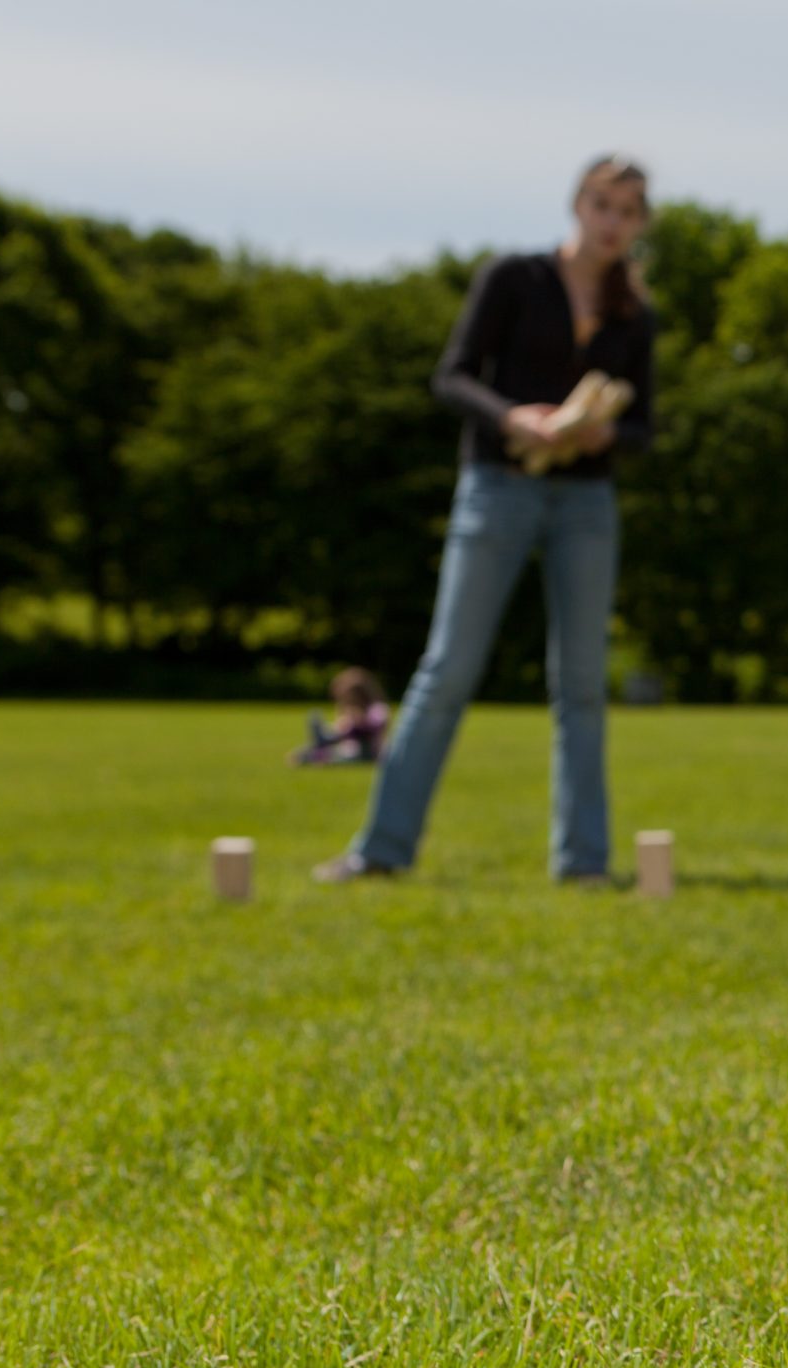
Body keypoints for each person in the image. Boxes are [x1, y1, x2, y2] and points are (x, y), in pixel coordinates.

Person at [314, 154, 657, 884]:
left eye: (628, 211)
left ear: (639, 225)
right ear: (578, 205)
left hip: (586, 502)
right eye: (603, 204)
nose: (613, 221)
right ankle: (381, 850)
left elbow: (646, 427)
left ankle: (584, 862)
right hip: (497, 486)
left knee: (583, 683)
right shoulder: (513, 278)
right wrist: (514, 417)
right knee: (447, 670)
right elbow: (452, 376)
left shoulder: (635, 313)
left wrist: (605, 434)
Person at [292, 667, 391, 765]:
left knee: (340, 753)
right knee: (335, 747)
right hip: (348, 747)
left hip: (368, 750)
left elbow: (377, 725)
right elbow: (342, 731)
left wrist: (358, 720)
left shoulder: (376, 709)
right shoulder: (352, 712)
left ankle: (319, 749)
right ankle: (320, 743)